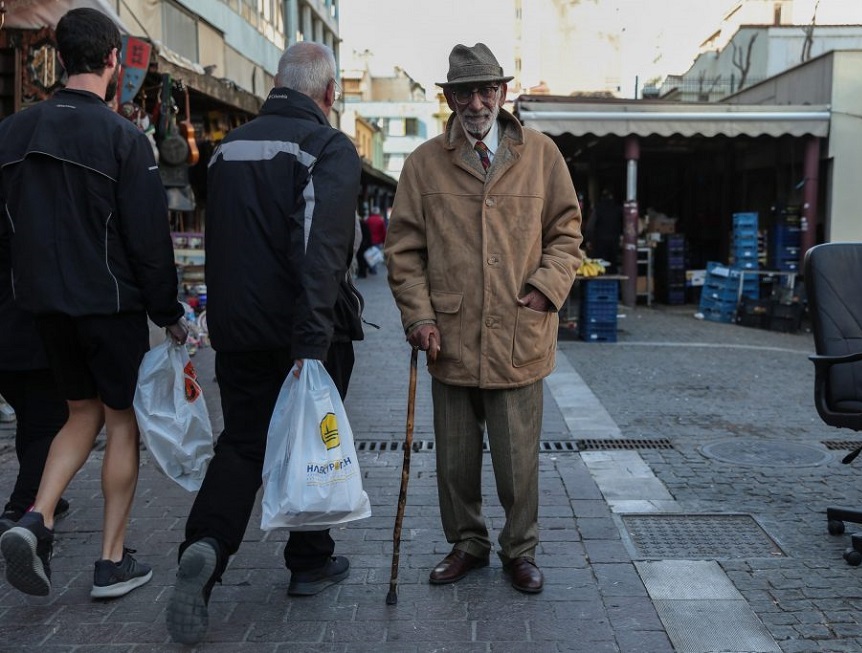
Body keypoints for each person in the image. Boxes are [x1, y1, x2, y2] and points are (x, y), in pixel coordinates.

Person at [165, 41, 360, 645]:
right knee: (314, 439)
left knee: (244, 445)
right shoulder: (326, 146)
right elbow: (320, 250)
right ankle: (309, 561)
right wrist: (311, 344)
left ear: (278, 84)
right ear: (328, 94)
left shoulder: (226, 151)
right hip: (303, 331)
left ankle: (205, 546)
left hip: (239, 330)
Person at [0, 7, 187, 601]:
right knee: (119, 420)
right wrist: (169, 312)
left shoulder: (12, 132)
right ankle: (111, 562)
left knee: (78, 413)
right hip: (109, 307)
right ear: (113, 60)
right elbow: (149, 242)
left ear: (58, 55)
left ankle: (37, 517)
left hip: (41, 306)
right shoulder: (124, 138)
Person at [384, 42, 582, 594]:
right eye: (464, 92)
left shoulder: (541, 154)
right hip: (449, 336)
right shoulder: (424, 162)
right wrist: (418, 316)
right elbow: (404, 251)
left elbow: (566, 232)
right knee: (455, 460)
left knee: (519, 462)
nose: (476, 102)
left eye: (486, 89)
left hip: (520, 331)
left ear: (503, 92)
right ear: (449, 98)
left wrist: (547, 288)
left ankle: (520, 549)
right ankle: (467, 543)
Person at [0, 245, 70, 533]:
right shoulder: (26, 205)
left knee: (30, 420)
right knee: (51, 424)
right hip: (31, 328)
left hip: (10, 333)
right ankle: (22, 507)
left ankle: (46, 493)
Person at [585, 189, 622, 273]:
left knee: (598, 265)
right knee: (612, 266)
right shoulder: (618, 208)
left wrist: (588, 239)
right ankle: (614, 283)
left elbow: (590, 226)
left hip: (599, 242)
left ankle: (599, 283)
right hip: (614, 241)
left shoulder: (598, 208)